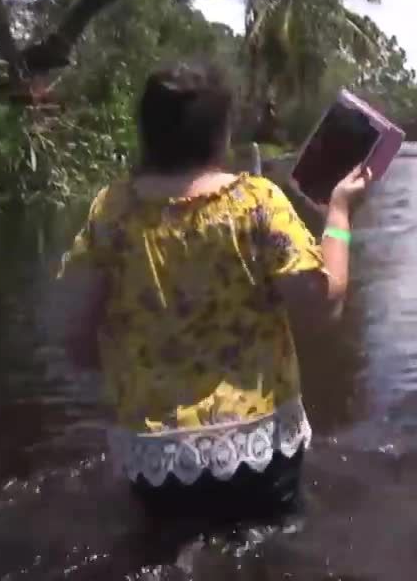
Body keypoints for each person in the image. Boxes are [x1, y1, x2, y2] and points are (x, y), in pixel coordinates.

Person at [46, 60, 371, 521]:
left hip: (154, 454)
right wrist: (338, 215)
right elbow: (324, 305)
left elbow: (74, 339)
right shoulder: (256, 202)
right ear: (222, 134)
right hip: (254, 444)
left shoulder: (112, 210)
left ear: (147, 132)